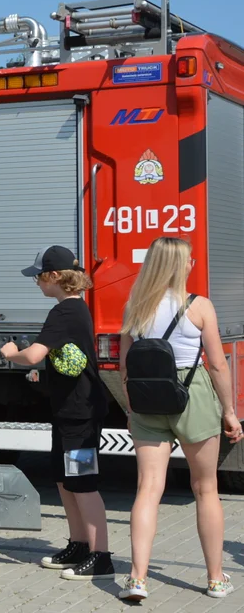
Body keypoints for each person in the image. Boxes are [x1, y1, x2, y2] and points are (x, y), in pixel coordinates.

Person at [117, 237, 243, 601]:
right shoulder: (199, 306)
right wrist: (230, 413)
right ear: (179, 265)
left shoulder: (134, 306)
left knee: (148, 489)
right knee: (205, 489)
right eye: (189, 259)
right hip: (192, 394)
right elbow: (218, 364)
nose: (192, 264)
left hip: (146, 401)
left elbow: (125, 365)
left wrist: (130, 409)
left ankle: (137, 579)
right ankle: (216, 579)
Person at [0, 245, 113, 581]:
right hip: (69, 411)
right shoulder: (74, 309)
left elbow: (33, 355)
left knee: (83, 484)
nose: (36, 283)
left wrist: (10, 353)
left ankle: (101, 556)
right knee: (65, 481)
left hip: (80, 414)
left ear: (54, 277)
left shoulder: (64, 313)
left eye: (38, 277)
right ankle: (79, 544)